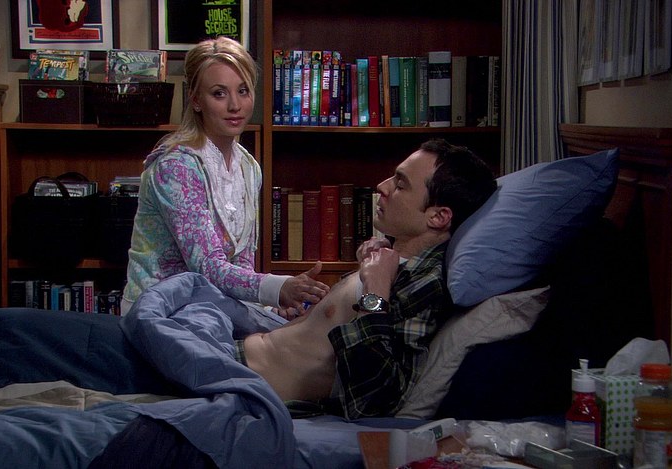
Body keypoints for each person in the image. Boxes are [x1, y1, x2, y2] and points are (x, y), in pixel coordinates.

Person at [237, 139, 498, 419]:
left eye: (400, 185)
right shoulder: (383, 261)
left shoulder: (423, 284)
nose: (382, 187)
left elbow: (375, 399)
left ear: (438, 216)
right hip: (236, 358)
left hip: (247, 388)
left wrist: (375, 291)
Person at [121, 36, 329, 317]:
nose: (235, 105)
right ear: (196, 100)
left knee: (302, 330)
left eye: (243, 91)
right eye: (219, 93)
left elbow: (241, 261)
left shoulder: (248, 167)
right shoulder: (176, 167)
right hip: (160, 311)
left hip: (211, 308)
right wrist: (277, 288)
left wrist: (268, 307)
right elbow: (207, 266)